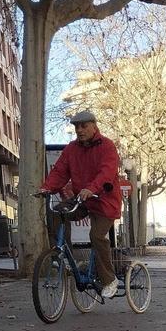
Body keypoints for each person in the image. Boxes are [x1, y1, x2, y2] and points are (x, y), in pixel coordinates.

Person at [40, 109, 121, 301]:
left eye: (83, 126)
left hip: (105, 201)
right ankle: (63, 257)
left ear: (94, 126)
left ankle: (109, 280)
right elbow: (60, 172)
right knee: (56, 212)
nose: (79, 130)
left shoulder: (107, 147)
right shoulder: (71, 149)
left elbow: (106, 172)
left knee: (96, 235)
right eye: (76, 126)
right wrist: (46, 188)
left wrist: (91, 188)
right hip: (82, 200)